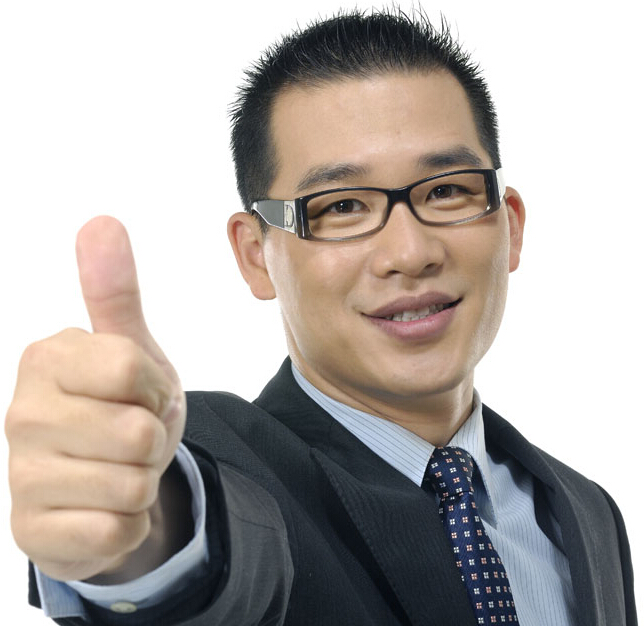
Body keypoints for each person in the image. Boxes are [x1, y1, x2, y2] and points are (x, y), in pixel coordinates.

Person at [4, 8, 637, 626]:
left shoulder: (588, 512)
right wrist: (143, 535)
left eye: (446, 191)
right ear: (256, 256)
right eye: (341, 207)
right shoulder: (220, 460)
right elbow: (204, 555)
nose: (410, 252)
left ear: (510, 226)